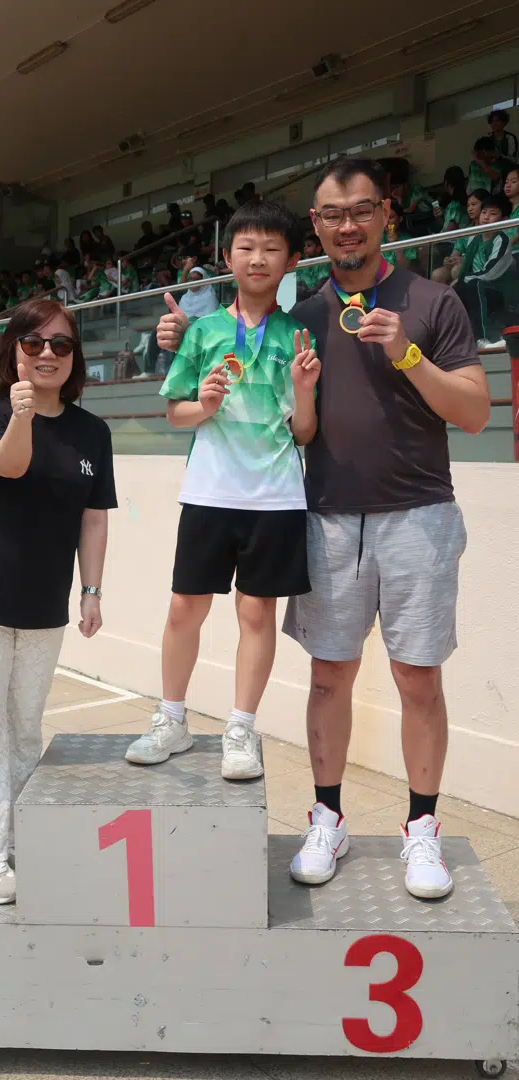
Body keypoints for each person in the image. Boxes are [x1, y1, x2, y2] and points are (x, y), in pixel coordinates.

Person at [157, 158, 490, 899]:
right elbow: (236, 363)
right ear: (316, 227)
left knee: (418, 678)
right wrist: (178, 334)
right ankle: (327, 818)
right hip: (328, 516)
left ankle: (422, 828)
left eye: (361, 210)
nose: (348, 225)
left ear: (386, 214)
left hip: (420, 515)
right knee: (329, 675)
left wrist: (407, 353)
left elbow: (474, 412)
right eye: (333, 214)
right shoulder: (299, 318)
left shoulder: (432, 301)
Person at [0, 299, 117, 905]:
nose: (47, 354)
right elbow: (9, 468)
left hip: (42, 605)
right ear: (13, 351)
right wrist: (22, 414)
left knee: (23, 729)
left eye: (61, 344)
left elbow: (93, 517)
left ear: (75, 356)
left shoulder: (93, 432)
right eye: (33, 343)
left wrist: (91, 591)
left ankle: (15, 837)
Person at [125, 200, 319, 780]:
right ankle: (172, 719)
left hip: (276, 497)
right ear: (228, 258)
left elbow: (304, 432)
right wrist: (204, 405)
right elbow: (175, 412)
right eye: (246, 248)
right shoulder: (204, 331)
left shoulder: (299, 333)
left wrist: (304, 390)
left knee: (256, 614)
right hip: (209, 492)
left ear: (291, 260)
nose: (258, 259)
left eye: (272, 249)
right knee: (185, 608)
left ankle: (241, 728)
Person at [454, 192, 518, 345]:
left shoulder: (502, 240)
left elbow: (492, 272)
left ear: (504, 220)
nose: (486, 217)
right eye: (484, 212)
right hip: (475, 284)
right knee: (452, 291)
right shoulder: (474, 238)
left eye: (493, 214)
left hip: (499, 290)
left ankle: (483, 338)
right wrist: (459, 283)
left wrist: (466, 280)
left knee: (474, 285)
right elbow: (466, 268)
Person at [432, 188, 487, 284]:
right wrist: (449, 260)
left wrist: (464, 260)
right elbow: (456, 252)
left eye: (474, 204)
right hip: (461, 264)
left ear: (485, 205)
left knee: (457, 270)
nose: (470, 208)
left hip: (478, 266)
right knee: (437, 274)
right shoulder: (466, 230)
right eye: (468, 205)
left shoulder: (489, 229)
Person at [384, 202, 420, 272]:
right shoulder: (375, 238)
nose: (386, 221)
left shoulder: (408, 240)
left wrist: (395, 243)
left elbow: (405, 268)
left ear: (400, 219)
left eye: (390, 217)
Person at [296, 233, 330, 300]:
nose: (305, 248)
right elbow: (299, 281)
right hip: (306, 297)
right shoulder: (303, 263)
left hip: (321, 296)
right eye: (305, 246)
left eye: (309, 245)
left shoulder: (325, 261)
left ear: (318, 248)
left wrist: (311, 293)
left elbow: (323, 281)